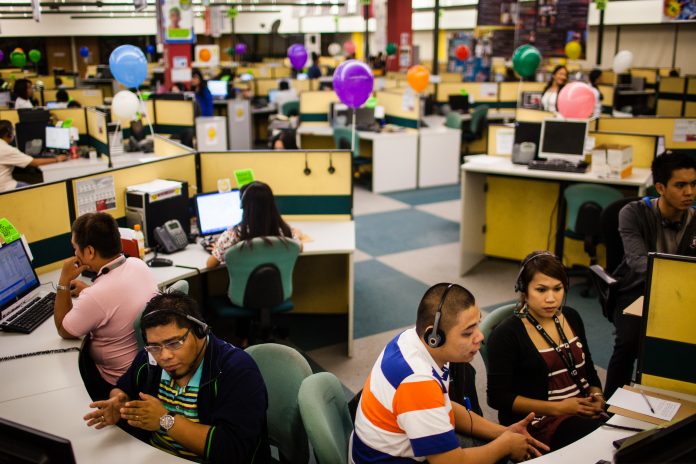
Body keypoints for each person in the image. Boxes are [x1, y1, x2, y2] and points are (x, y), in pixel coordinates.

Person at [351, 283, 549, 463]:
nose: (479, 337)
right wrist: (505, 445)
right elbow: (449, 462)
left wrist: (503, 432)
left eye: (477, 325)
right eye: (467, 332)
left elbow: (445, 406)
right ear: (434, 337)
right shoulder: (419, 383)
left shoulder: (411, 340)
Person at [83, 292, 270, 463]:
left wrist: (165, 420)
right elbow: (124, 387)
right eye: (154, 346)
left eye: (174, 343)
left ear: (199, 331)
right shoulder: (149, 359)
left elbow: (232, 450)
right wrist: (118, 401)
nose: (164, 356)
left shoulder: (237, 370)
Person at [486, 252, 606, 452]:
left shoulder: (572, 317)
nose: (551, 298)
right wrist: (559, 408)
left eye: (558, 289)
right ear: (524, 290)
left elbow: (589, 372)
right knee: (604, 441)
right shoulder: (506, 334)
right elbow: (497, 397)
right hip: (540, 423)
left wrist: (598, 398)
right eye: (541, 290)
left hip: (581, 410)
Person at [604, 152, 696, 398]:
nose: (689, 192)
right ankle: (610, 404)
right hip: (638, 288)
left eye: (693, 184)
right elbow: (637, 262)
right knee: (629, 341)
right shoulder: (632, 213)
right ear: (660, 187)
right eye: (680, 185)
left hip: (683, 292)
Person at [53, 212, 158, 399]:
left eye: (76, 248)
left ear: (90, 252)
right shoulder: (137, 264)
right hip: (150, 370)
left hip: (119, 384)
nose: (75, 253)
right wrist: (87, 290)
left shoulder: (96, 296)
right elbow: (111, 297)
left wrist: (63, 281)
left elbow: (64, 329)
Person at [206, 181, 301, 268]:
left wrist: (218, 249)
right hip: (279, 286)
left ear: (243, 206)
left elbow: (210, 264)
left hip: (244, 287)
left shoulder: (234, 234)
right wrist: (296, 235)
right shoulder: (283, 230)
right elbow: (299, 248)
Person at [0, 120, 67, 192]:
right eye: (13, 131)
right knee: (35, 192)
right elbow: (35, 163)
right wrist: (57, 159)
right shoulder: (7, 149)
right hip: (5, 188)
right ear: (9, 134)